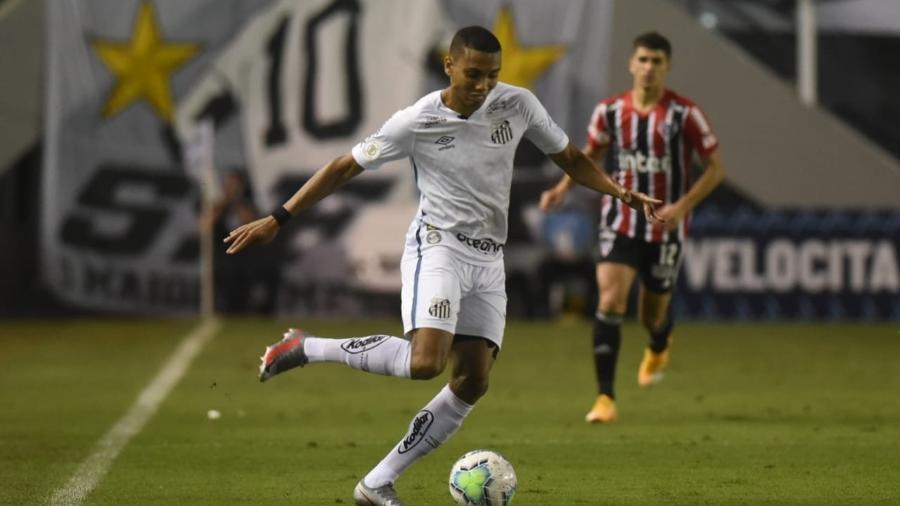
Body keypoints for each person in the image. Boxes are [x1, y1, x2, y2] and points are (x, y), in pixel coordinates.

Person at [224, 26, 662, 505]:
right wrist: (278, 217)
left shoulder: (517, 104)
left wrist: (619, 192)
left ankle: (376, 484)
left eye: (492, 76)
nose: (483, 85)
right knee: (426, 362)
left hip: (489, 256)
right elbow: (343, 167)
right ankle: (306, 347)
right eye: (473, 74)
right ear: (450, 66)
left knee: (473, 379)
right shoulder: (417, 120)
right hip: (439, 246)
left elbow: (572, 158)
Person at [540, 31, 725, 424]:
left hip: (665, 228)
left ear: (667, 66)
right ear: (631, 63)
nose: (648, 68)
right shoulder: (609, 111)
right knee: (609, 301)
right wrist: (561, 189)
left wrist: (682, 205)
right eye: (642, 59)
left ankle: (659, 341)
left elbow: (716, 169)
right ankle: (605, 398)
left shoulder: (683, 114)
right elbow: (589, 155)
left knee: (651, 315)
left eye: (656, 61)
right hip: (620, 220)